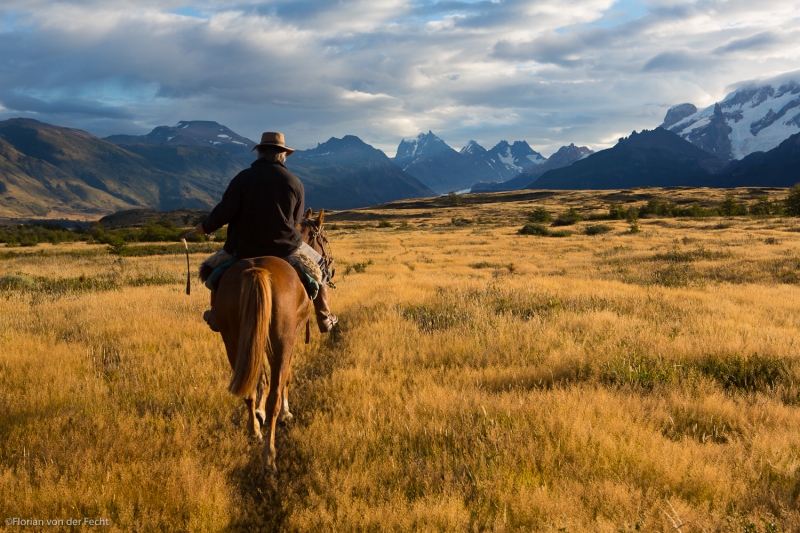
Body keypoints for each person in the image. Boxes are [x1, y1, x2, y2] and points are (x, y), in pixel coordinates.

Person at [195, 131, 337, 333]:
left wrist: (205, 227)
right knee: (320, 264)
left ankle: (216, 315)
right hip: (285, 249)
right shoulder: (294, 182)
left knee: (212, 268)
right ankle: (324, 316)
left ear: (260, 153)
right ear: (283, 155)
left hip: (242, 249)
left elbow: (224, 211)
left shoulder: (242, 178)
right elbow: (296, 220)